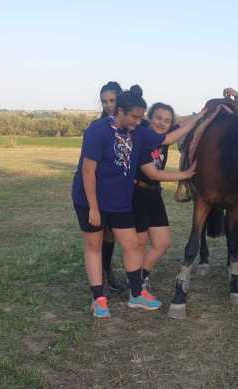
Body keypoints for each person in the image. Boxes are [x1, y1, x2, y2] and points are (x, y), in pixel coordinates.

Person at [71, 86, 197, 318]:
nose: (139, 122)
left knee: (131, 245)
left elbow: (168, 137)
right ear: (120, 111)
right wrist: (93, 207)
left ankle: (136, 294)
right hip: (90, 199)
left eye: (141, 117)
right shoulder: (98, 131)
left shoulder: (138, 131)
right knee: (94, 245)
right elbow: (88, 170)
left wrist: (200, 116)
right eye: (135, 117)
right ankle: (98, 299)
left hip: (119, 200)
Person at [132, 102, 187, 301]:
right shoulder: (143, 137)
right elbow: (153, 174)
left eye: (167, 121)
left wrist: (207, 112)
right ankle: (135, 286)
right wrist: (185, 174)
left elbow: (184, 124)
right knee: (139, 244)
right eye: (158, 118)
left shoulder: (164, 138)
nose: (162, 123)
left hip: (154, 195)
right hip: (137, 193)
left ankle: (141, 277)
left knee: (162, 243)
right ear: (149, 117)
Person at [94, 81, 126, 293]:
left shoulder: (132, 123)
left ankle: (107, 269)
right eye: (104, 101)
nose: (108, 105)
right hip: (100, 186)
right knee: (99, 234)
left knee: (112, 233)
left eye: (112, 100)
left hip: (119, 189)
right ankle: (102, 274)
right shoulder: (97, 126)